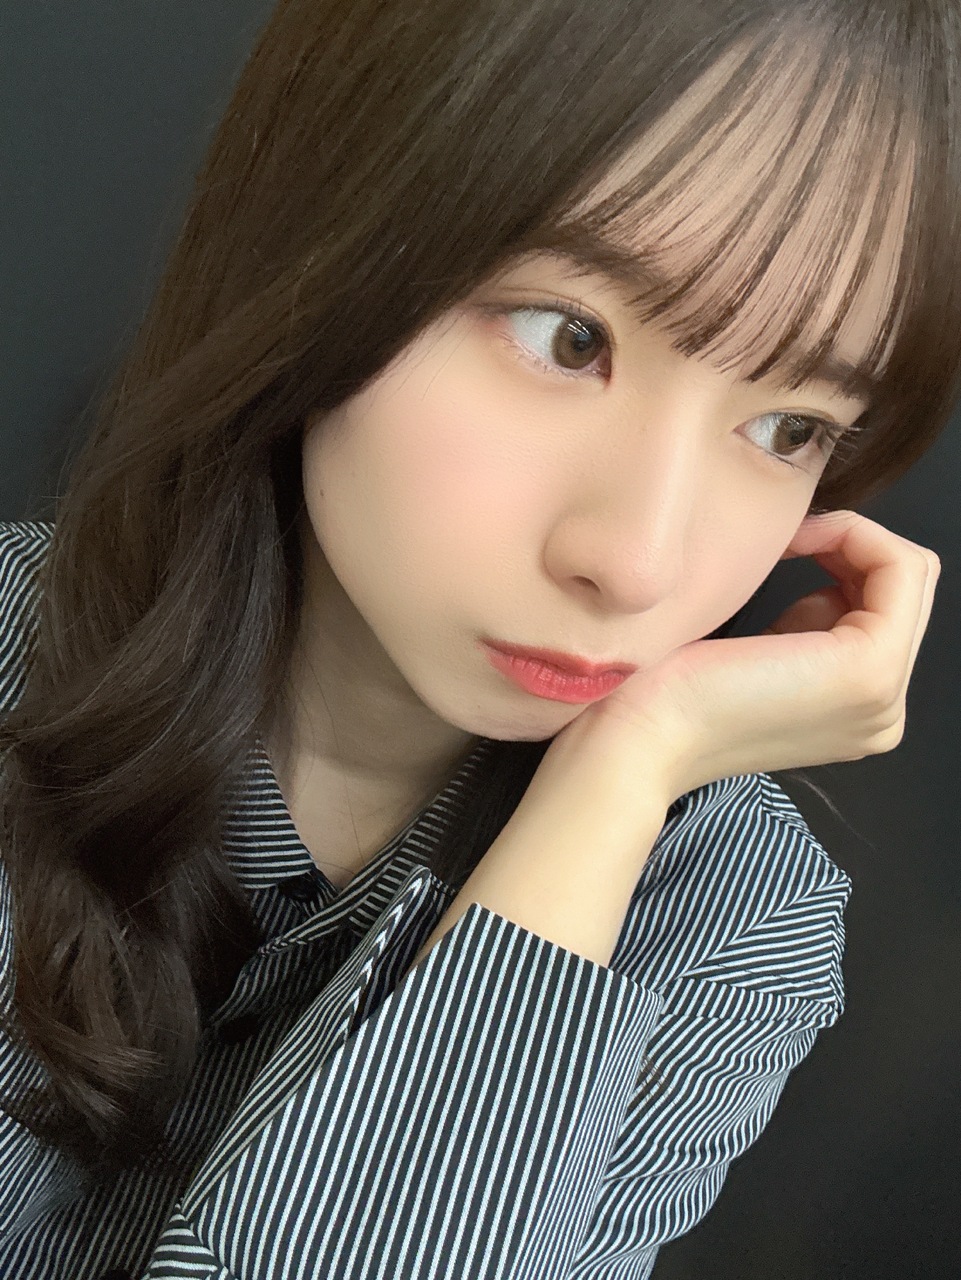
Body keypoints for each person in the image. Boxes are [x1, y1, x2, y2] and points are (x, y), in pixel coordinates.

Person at [0, 0, 956, 1276]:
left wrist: (615, 780)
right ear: (317, 248)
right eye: (569, 337)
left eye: (789, 428)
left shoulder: (730, 921)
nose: (638, 560)